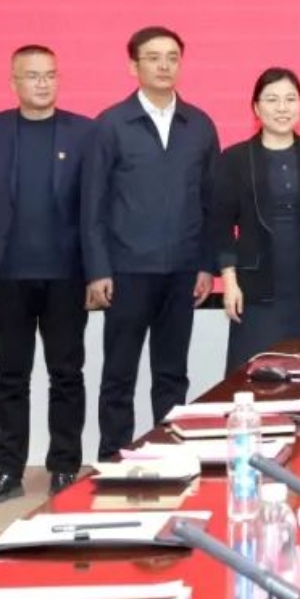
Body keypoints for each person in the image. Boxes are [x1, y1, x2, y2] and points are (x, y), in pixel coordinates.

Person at [0, 45, 95, 503]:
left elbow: (95, 210)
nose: (43, 83)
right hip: (7, 276)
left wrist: (97, 272)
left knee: (67, 375)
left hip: (67, 276)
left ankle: (64, 467)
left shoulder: (84, 133)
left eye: (50, 75)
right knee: (11, 377)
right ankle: (8, 470)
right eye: (33, 75)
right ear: (13, 82)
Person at [82, 26, 220, 461]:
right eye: (153, 57)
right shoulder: (110, 124)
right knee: (119, 374)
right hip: (127, 271)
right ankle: (112, 459)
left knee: (172, 374)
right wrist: (98, 269)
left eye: (172, 57)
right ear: (133, 66)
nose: (164, 65)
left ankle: (170, 456)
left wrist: (206, 265)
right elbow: (92, 204)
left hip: (182, 272)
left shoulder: (199, 125)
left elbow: (211, 202)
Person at [210, 67, 300, 374]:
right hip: (256, 289)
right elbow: (221, 225)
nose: (282, 108)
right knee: (253, 376)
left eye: (290, 99)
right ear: (256, 107)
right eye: (272, 99)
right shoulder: (235, 158)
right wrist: (229, 282)